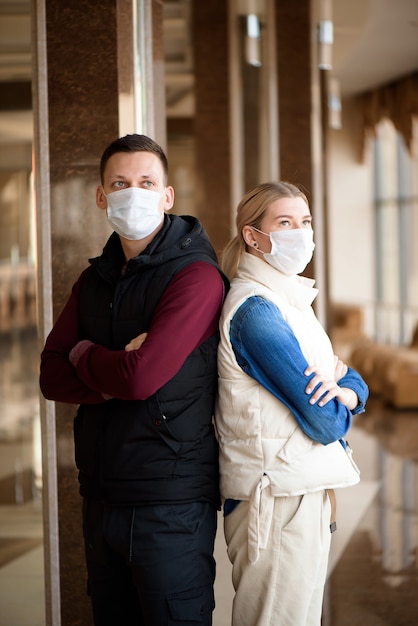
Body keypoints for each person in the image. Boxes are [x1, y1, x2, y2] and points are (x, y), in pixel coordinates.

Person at [39, 133, 229, 626]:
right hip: (101, 494)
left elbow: (143, 378)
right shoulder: (94, 279)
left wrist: (85, 356)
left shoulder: (195, 276)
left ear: (168, 196)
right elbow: (50, 374)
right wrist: (105, 367)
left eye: (147, 182)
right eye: (120, 183)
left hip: (170, 500)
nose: (133, 193)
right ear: (101, 196)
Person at [215, 181, 369, 626]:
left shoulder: (290, 302)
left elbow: (347, 375)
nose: (300, 233)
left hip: (299, 487)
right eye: (284, 223)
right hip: (277, 497)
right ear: (252, 236)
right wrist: (345, 400)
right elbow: (323, 421)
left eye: (304, 222)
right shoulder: (256, 312)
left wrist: (350, 391)